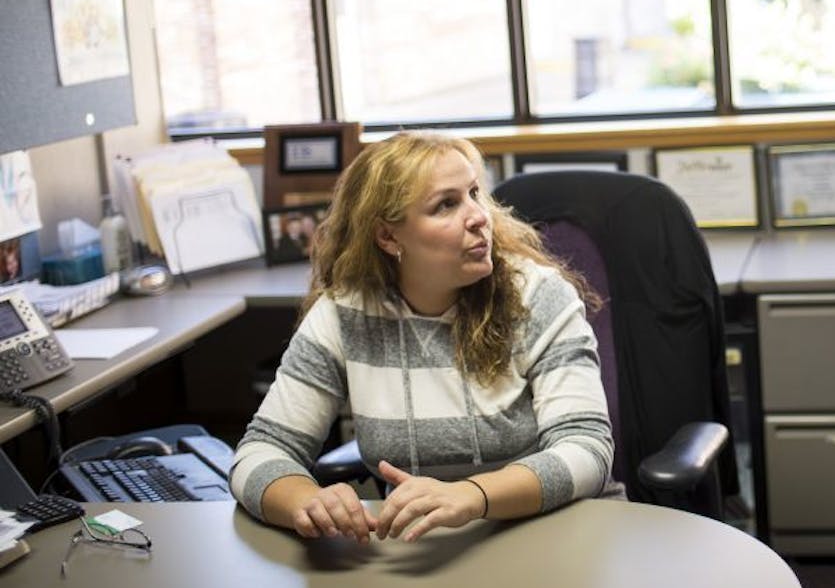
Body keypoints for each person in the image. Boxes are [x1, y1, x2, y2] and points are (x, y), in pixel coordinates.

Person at [230, 132, 616, 543]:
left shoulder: (537, 296)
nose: (479, 216)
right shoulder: (346, 313)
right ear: (388, 237)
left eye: (473, 192)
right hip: (425, 548)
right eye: (446, 205)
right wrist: (304, 501)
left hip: (553, 533)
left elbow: (586, 450)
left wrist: (472, 495)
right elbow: (261, 451)